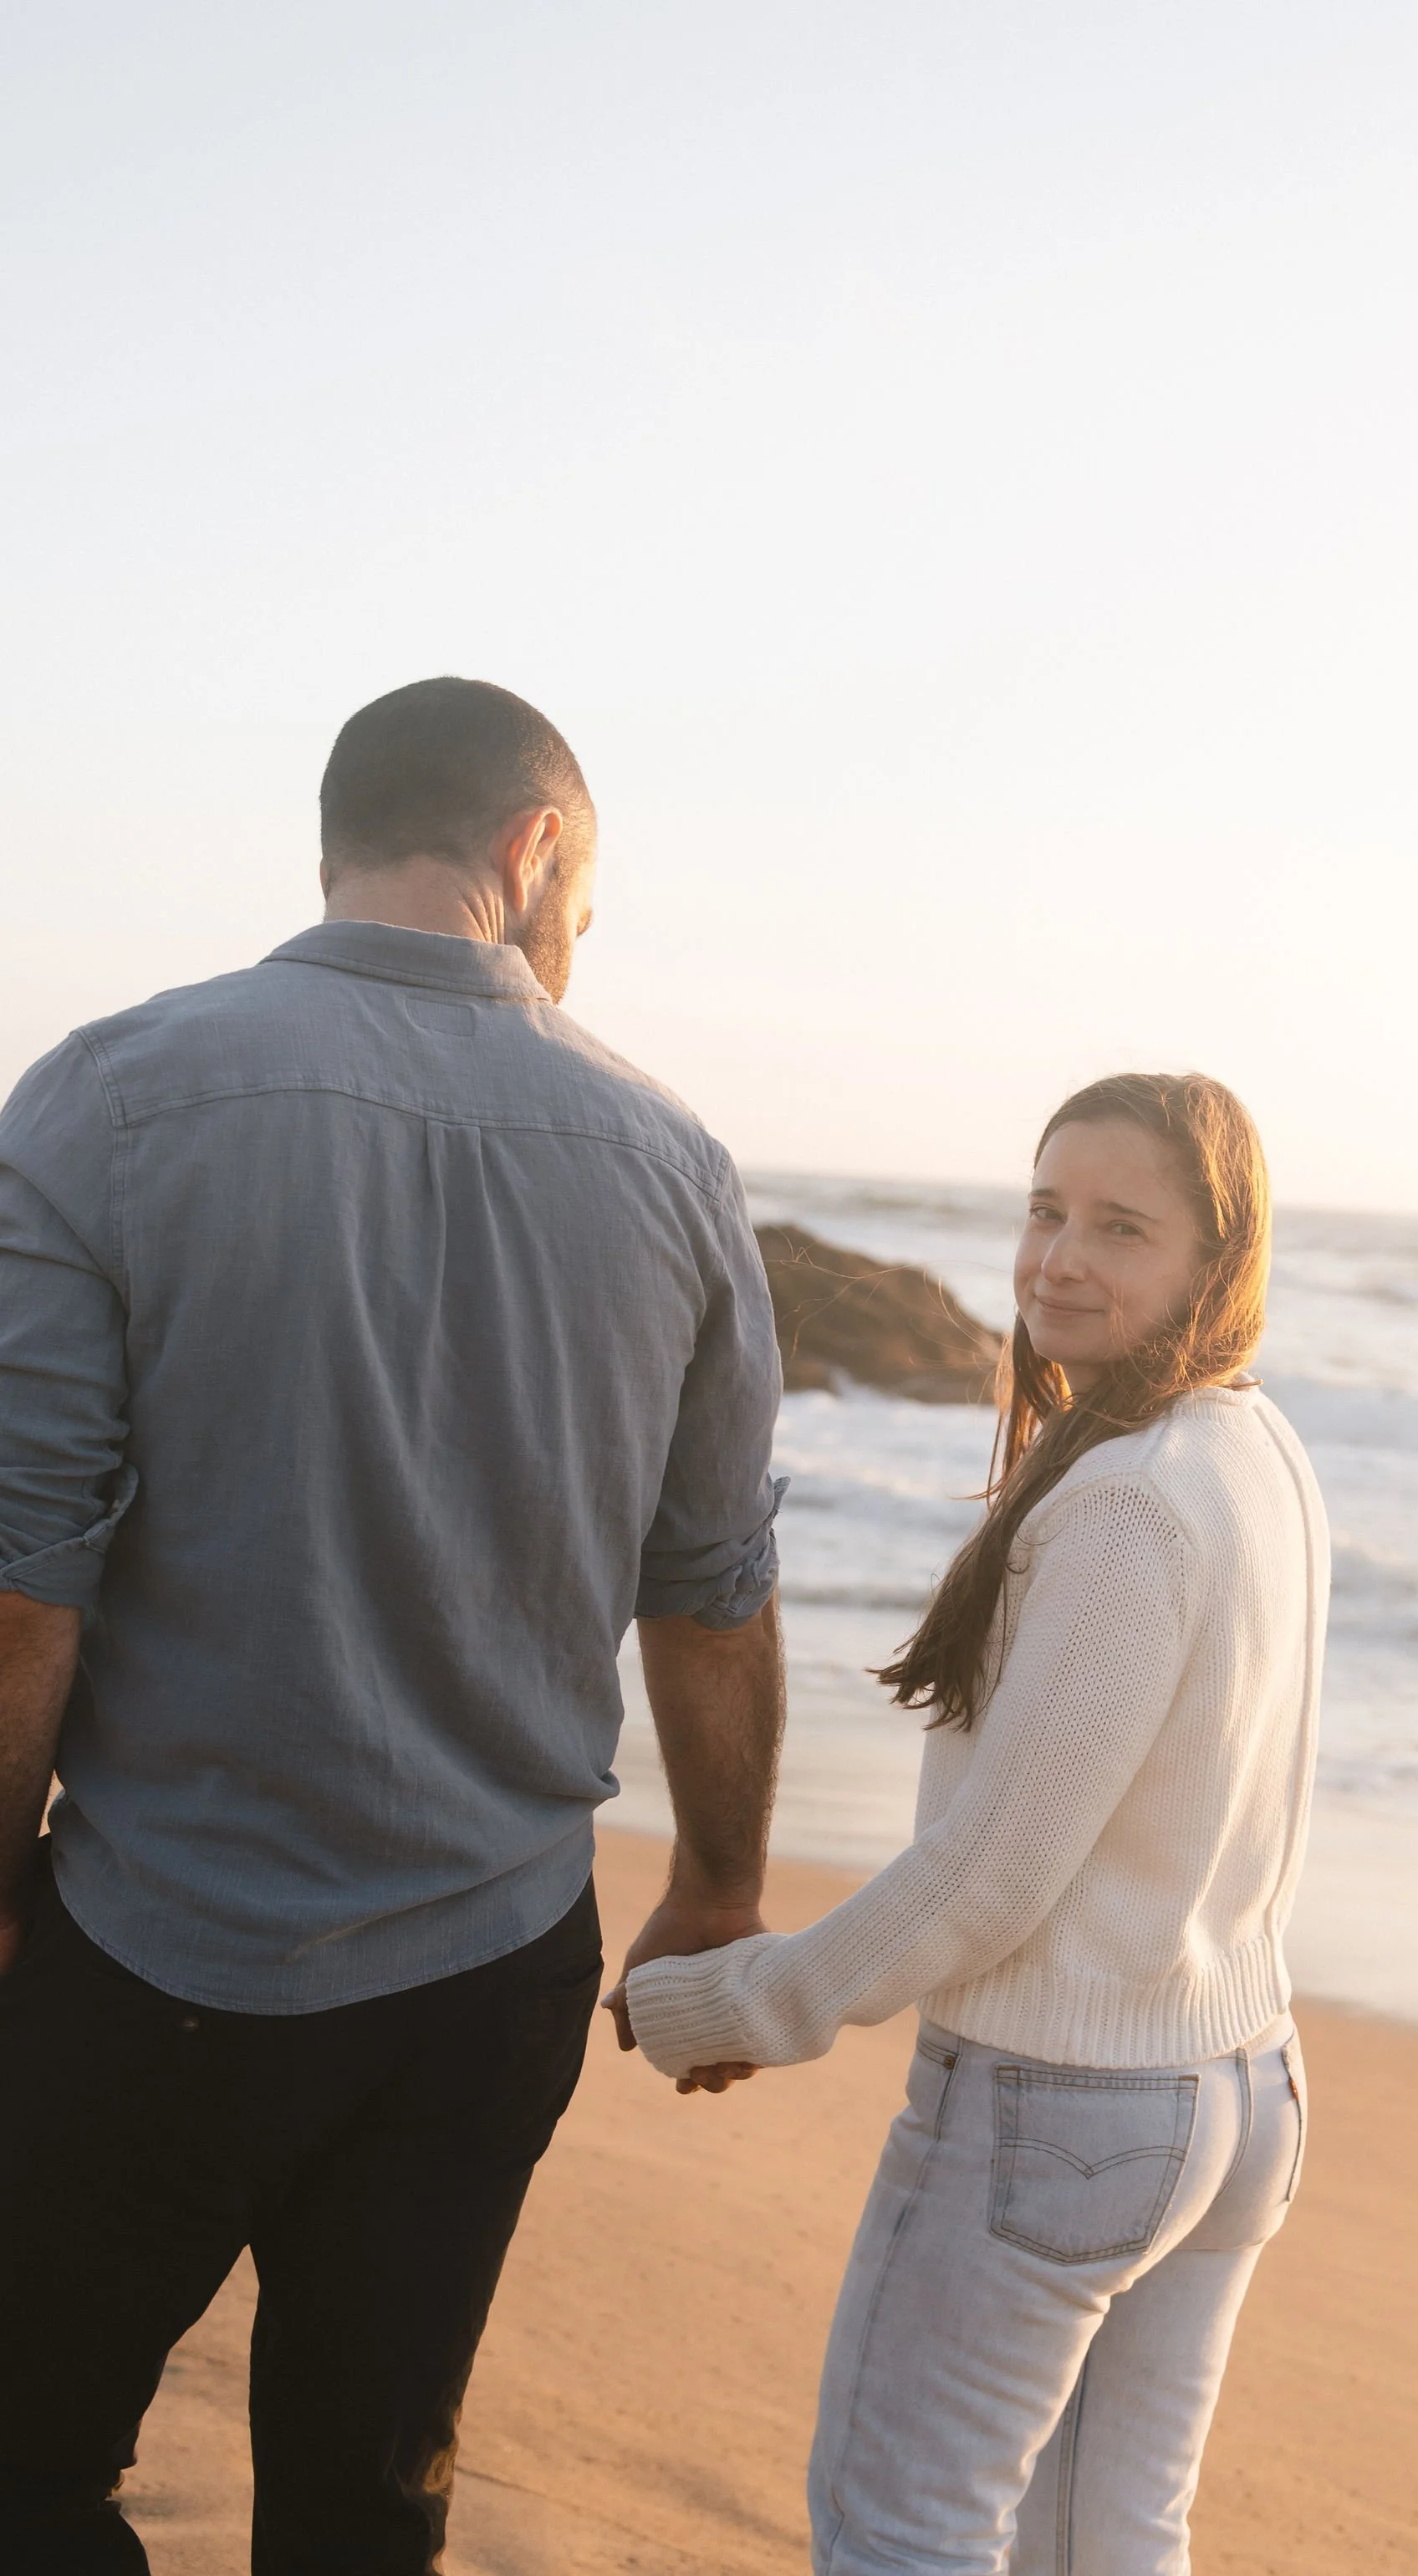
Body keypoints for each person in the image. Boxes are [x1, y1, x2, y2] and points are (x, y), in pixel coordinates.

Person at [0, 677, 787, 2575]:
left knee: (22, 2468)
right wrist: (717, 1884)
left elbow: (27, 1579)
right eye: (583, 909)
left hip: (153, 1939)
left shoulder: (106, 1095)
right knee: (367, 2511)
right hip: (485, 1962)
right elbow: (709, 1597)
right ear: (531, 853)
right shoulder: (675, 1163)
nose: (575, 952)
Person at [619, 1071, 1329, 2576]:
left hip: (1063, 2109)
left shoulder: (1134, 1501)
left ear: (1218, 1261)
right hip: (1235, 2094)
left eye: (1120, 1227)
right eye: (1045, 1209)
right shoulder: (1256, 1449)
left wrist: (735, 2002)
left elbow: (990, 1880)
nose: (1058, 1258)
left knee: (905, 2537)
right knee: (1106, 2543)